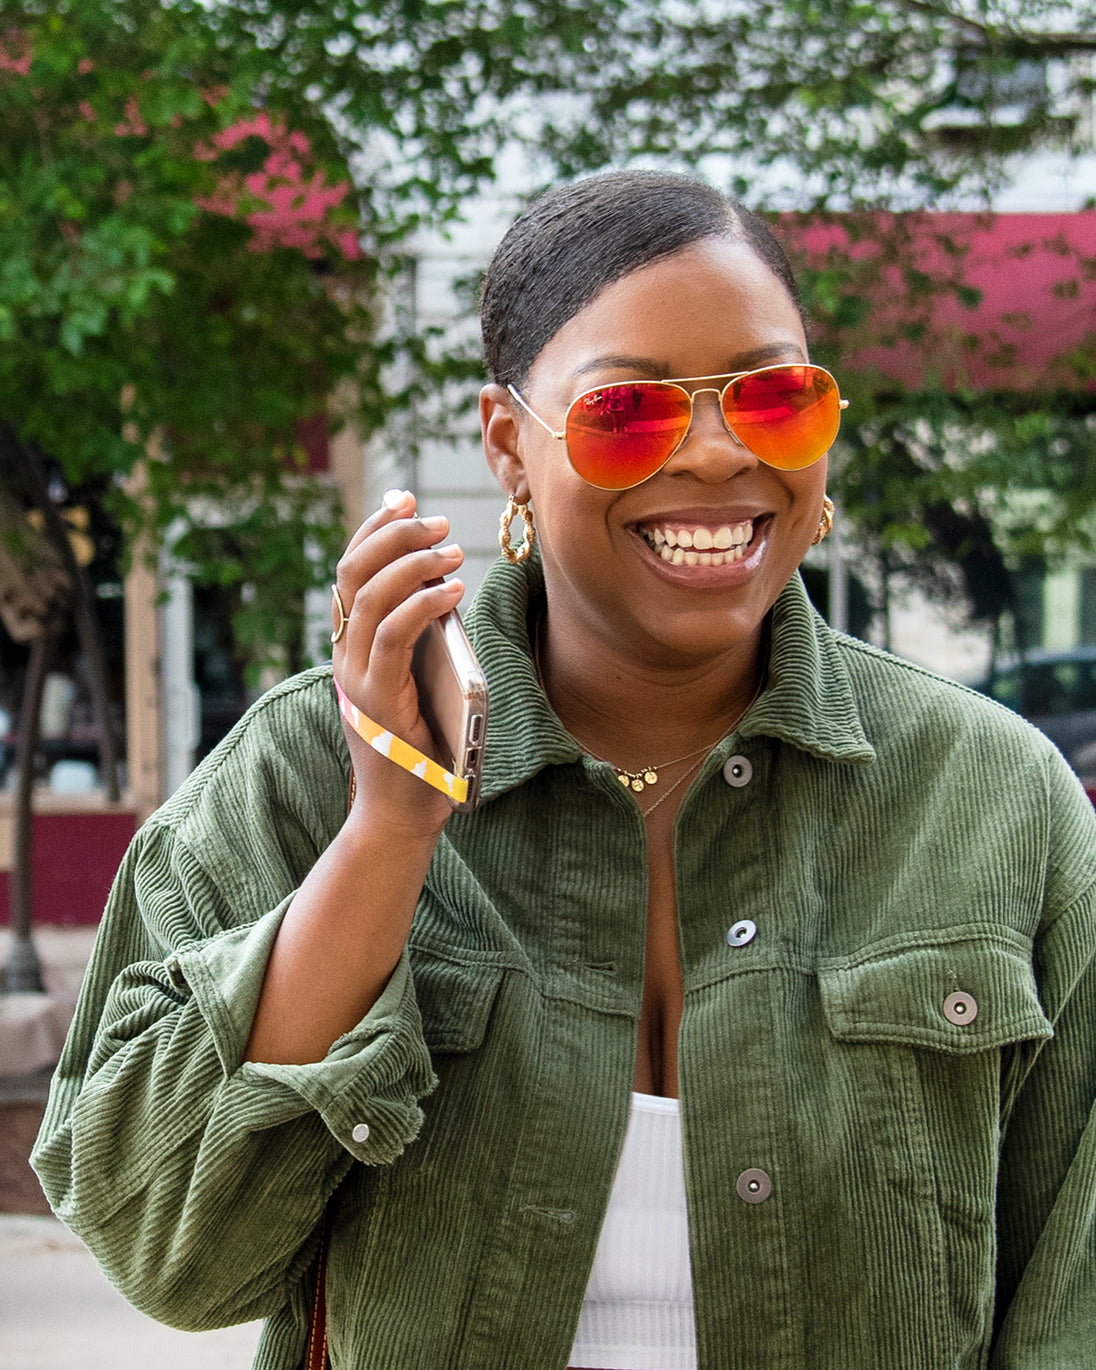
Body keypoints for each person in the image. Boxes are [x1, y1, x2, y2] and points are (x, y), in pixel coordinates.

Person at [33, 171, 1096, 1369]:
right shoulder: (296, 771)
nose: (713, 453)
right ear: (508, 448)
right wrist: (387, 831)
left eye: (773, 399)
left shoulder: (997, 799)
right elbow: (167, 1252)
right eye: (630, 411)